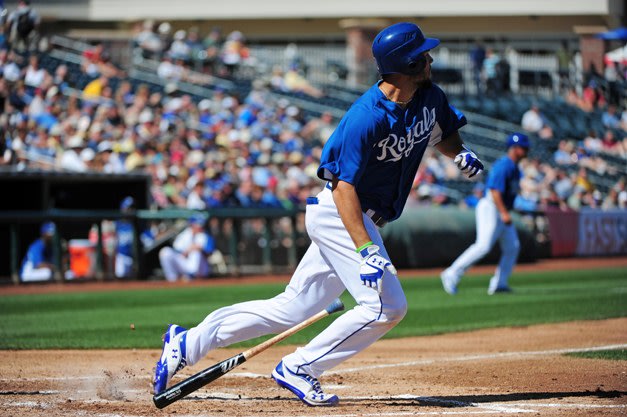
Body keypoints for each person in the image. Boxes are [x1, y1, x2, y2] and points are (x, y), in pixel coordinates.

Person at [152, 22, 484, 406]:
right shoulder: (365, 117)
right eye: (423, 55)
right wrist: (365, 249)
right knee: (386, 306)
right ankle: (300, 367)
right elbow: (344, 187)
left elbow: (444, 135)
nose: (430, 59)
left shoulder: (429, 96)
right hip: (340, 213)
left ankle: (188, 342)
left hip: (362, 218)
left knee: (292, 308)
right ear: (407, 65)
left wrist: (460, 153)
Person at [441, 133, 530, 295]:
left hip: (501, 209)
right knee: (483, 245)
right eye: (523, 147)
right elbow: (494, 190)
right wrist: (504, 213)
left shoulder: (515, 167)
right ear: (515, 148)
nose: (526, 150)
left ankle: (499, 283)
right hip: (491, 207)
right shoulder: (505, 165)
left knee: (512, 247)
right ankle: (452, 272)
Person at [158, 214, 215, 282]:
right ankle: (172, 279)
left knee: (196, 252)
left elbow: (209, 253)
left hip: (200, 268)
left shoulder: (206, 236)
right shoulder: (184, 235)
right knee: (165, 252)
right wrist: (187, 251)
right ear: (192, 224)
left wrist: (198, 248)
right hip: (184, 263)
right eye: (198, 224)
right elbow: (178, 251)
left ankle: (192, 276)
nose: (200, 226)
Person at [114, 196, 136, 279]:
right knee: (121, 277)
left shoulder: (139, 224)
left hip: (135, 258)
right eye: (129, 208)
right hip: (121, 257)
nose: (130, 210)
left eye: (132, 208)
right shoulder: (117, 224)